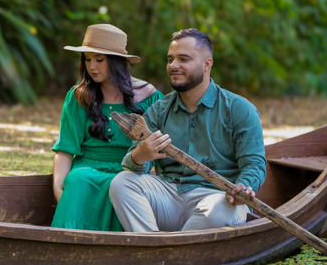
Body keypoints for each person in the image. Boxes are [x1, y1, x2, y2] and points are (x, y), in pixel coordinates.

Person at [108, 28, 266, 233]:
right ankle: (151, 246)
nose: (174, 66)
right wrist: (140, 156)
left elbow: (255, 164)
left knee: (223, 208)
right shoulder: (158, 110)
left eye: (183, 59)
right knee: (122, 183)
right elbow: (135, 167)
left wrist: (244, 186)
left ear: (207, 64)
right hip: (168, 195)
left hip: (216, 198)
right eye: (170, 59)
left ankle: (170, 253)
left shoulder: (239, 109)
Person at [51, 24, 162, 231]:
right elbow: (65, 149)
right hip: (86, 169)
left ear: (117, 62)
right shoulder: (78, 96)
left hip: (130, 169)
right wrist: (58, 186)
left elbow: (161, 146)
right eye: (87, 58)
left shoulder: (149, 96)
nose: (92, 66)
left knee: (122, 185)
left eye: (99, 60)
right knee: (78, 178)